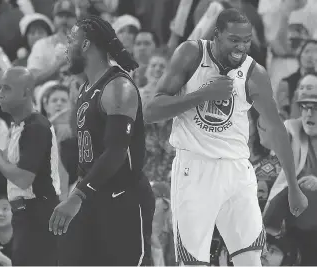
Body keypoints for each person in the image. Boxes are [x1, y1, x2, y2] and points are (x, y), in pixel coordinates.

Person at [144, 8, 308, 266]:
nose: (241, 48)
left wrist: (293, 186)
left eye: (246, 41)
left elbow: (276, 129)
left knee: (252, 259)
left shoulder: (255, 73)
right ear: (217, 35)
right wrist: (201, 95)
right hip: (194, 167)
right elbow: (151, 112)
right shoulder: (191, 54)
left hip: (237, 170)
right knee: (193, 262)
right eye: (234, 40)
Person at [49, 15, 155, 266]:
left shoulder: (118, 86)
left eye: (70, 41)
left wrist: (77, 195)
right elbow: (83, 147)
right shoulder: (87, 87)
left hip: (122, 199)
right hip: (93, 196)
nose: (66, 48)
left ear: (85, 45)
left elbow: (116, 152)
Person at [0, 66, 60, 266]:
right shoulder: (19, 125)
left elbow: (23, 178)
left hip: (38, 213)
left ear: (25, 93)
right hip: (25, 213)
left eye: (6, 89)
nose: (0, 94)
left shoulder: (36, 127)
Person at [264, 73, 317, 266]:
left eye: (315, 108)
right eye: (305, 107)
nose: (309, 114)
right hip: (291, 227)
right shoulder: (291, 129)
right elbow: (270, 167)